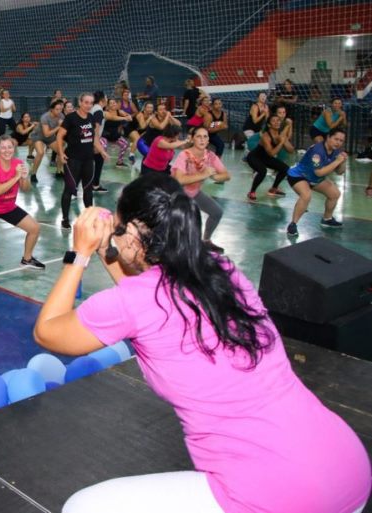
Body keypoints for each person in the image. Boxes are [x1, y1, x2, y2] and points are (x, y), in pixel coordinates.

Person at [33, 173, 371, 513]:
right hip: (347, 470)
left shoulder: (133, 304)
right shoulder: (221, 270)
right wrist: (111, 249)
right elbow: (142, 295)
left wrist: (79, 254)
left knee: (83, 508)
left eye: (120, 229)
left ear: (134, 234)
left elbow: (47, 331)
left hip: (278, 494)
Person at [0, 135, 44, 283]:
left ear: (14, 149)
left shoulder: (18, 163)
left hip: (7, 206)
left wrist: (24, 177)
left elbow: (26, 189)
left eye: (9, 147)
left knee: (34, 228)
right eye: (3, 147)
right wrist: (17, 177)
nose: (7, 150)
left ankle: (27, 259)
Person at [170, 127, 230, 253]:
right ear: (192, 139)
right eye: (199, 136)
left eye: (205, 136)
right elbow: (179, 180)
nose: (202, 139)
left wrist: (212, 175)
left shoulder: (210, 156)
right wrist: (204, 174)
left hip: (194, 192)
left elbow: (226, 175)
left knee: (216, 212)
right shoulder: (184, 155)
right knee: (186, 225)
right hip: (177, 195)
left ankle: (206, 241)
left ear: (208, 140)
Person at [56, 92, 110, 229]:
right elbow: (59, 136)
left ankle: (89, 218)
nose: (88, 105)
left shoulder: (91, 118)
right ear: (80, 102)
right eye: (86, 102)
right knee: (69, 189)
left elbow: (94, 139)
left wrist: (102, 151)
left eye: (91, 103)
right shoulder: (70, 118)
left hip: (88, 159)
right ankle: (65, 219)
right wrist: (61, 153)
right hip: (73, 159)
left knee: (88, 190)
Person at [286, 128, 347, 237]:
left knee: (335, 194)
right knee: (306, 195)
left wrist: (343, 161)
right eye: (336, 139)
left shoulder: (336, 151)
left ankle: (327, 219)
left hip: (314, 179)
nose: (338, 142)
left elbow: (339, 172)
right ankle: (293, 224)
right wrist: (337, 161)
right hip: (299, 176)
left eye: (341, 141)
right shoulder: (317, 151)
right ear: (328, 137)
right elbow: (319, 172)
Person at [245, 113, 291, 202]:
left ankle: (273, 189)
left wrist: (285, 140)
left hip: (266, 158)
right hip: (254, 157)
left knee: (285, 168)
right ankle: (252, 192)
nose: (277, 122)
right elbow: (271, 153)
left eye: (278, 120)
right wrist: (281, 143)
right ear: (269, 125)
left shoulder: (280, 135)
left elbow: (291, 150)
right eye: (273, 121)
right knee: (262, 171)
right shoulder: (266, 136)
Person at [30, 100, 65, 181]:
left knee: (61, 151)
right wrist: (59, 127)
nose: (59, 111)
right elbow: (46, 134)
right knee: (40, 152)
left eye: (60, 109)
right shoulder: (45, 117)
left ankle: (59, 171)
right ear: (51, 109)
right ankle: (33, 173)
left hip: (50, 137)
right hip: (38, 136)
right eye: (57, 109)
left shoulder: (61, 116)